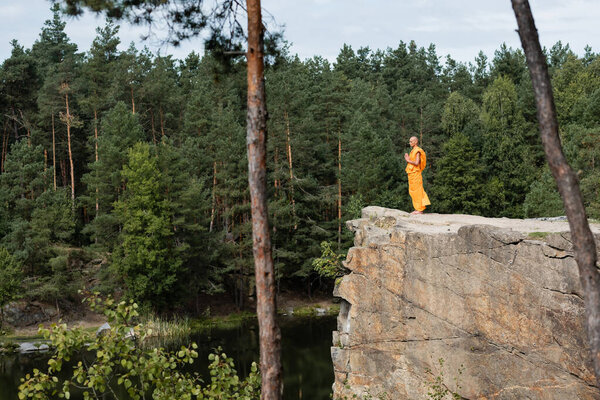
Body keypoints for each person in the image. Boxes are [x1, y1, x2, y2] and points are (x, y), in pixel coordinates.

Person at [404, 136, 430, 214]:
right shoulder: (412, 151)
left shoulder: (418, 151)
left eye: (411, 141)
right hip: (412, 173)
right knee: (412, 191)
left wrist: (408, 160)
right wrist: (408, 159)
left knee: (417, 191)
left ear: (415, 142)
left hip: (416, 173)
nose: (410, 143)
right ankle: (417, 208)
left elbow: (416, 162)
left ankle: (420, 209)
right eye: (409, 141)